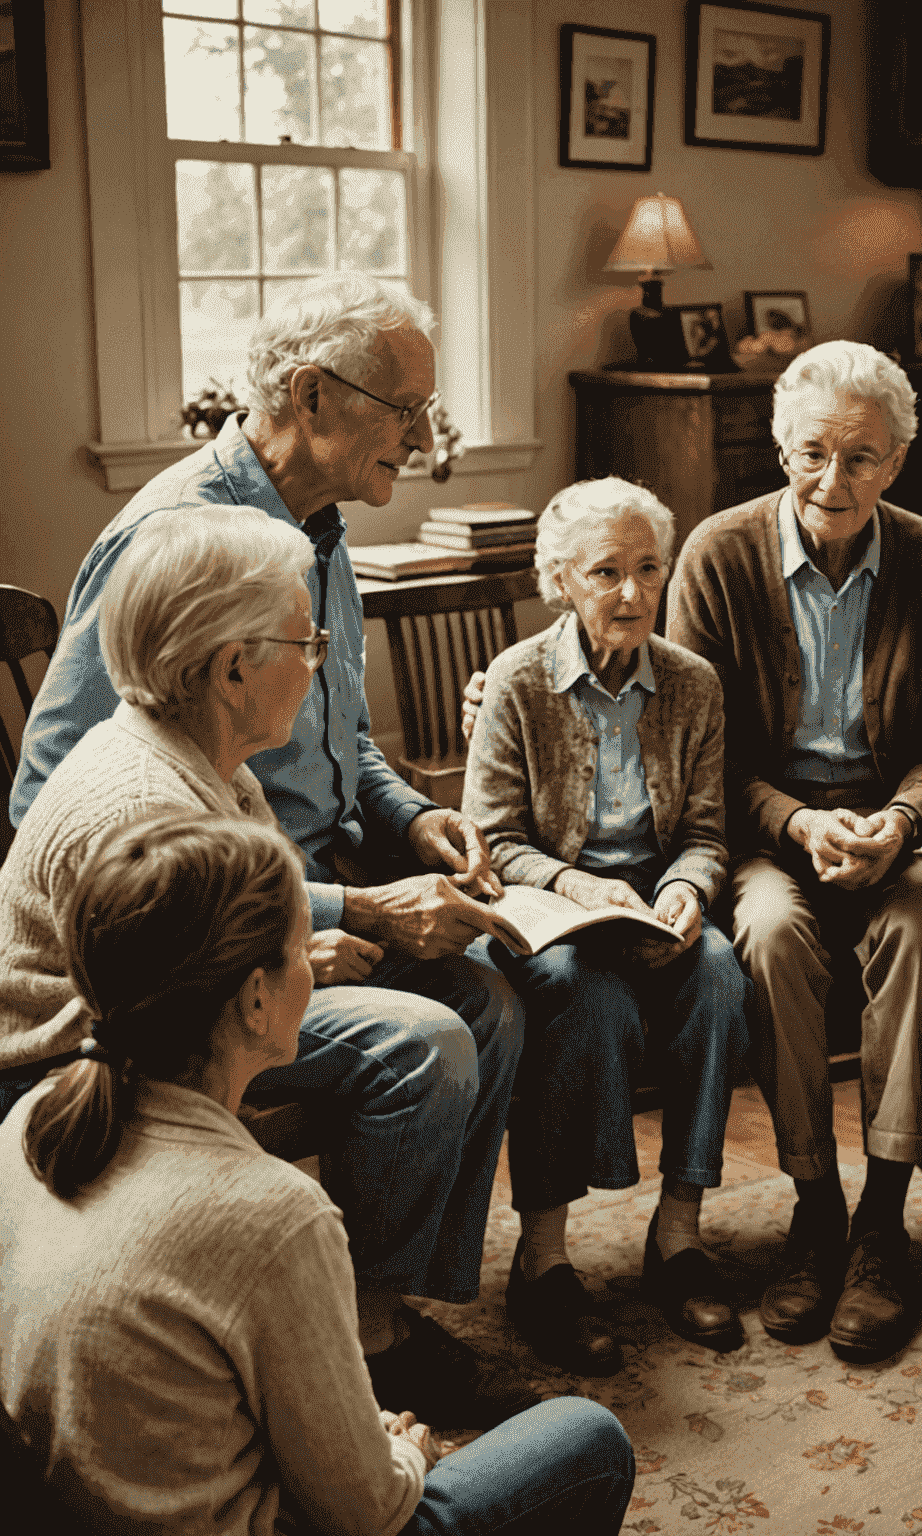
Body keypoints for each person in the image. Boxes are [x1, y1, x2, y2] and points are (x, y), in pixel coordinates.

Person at [0, 507, 523, 1426]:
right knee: (424, 1040)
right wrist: (310, 950)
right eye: (304, 641)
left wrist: (303, 948)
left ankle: (384, 1298)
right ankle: (360, 1339)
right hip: (78, 1054)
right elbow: (180, 1012)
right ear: (233, 665)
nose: (317, 664)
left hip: (201, 991)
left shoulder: (211, 752)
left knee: (481, 992)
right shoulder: (144, 797)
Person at [0, 811, 635, 1536]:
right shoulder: (276, 1215)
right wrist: (407, 1455)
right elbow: (369, 1512)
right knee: (590, 1441)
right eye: (302, 948)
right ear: (256, 999)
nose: (316, 962)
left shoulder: (35, 1121)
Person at [9, 273, 523, 1147]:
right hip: (206, 942)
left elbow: (347, 737)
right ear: (312, 394)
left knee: (503, 992)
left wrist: (412, 817)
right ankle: (341, 1274)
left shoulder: (321, 531)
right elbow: (52, 799)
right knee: (442, 1036)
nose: (425, 437)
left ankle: (384, 1279)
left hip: (318, 890)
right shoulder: (173, 538)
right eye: (406, 407)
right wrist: (339, 914)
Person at [666, 339, 922, 1364]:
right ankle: (815, 1205)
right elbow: (702, 751)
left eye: (861, 459)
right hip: (769, 827)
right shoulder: (717, 555)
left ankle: (882, 1217)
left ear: (896, 462)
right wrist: (797, 824)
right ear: (779, 448)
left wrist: (900, 825)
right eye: (811, 454)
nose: (831, 482)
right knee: (766, 930)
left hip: (892, 831)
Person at [461, 478, 750, 1374]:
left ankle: (678, 1238)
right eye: (606, 572)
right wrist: (581, 891)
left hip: (652, 910)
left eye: (647, 569)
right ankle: (543, 1260)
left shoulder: (694, 683)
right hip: (549, 920)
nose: (631, 594)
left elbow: (705, 833)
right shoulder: (516, 683)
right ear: (561, 579)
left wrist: (686, 891)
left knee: (720, 976)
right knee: (586, 1000)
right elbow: (493, 839)